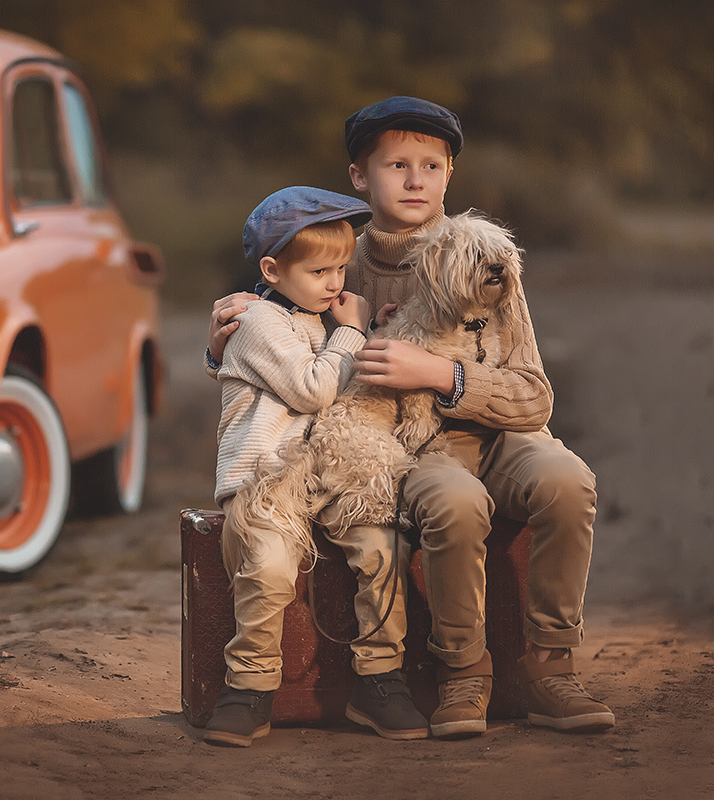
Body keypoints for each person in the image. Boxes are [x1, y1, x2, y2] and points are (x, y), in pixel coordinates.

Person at [205, 97, 615, 739]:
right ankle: (463, 674)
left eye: (432, 165)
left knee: (569, 481)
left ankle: (550, 668)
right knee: (455, 502)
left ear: (450, 175)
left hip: (504, 433)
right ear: (360, 177)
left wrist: (441, 375)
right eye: (397, 164)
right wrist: (219, 346)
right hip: (412, 448)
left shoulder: (486, 257)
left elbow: (535, 395)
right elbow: (282, 353)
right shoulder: (339, 260)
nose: (416, 179)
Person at [207, 186, 429, 747]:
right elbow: (313, 389)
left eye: (341, 268)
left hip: (324, 473)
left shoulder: (309, 319)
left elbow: (341, 386)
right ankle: (250, 689)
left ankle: (379, 679)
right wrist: (352, 332)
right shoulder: (258, 320)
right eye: (320, 271)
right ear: (272, 270)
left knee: (382, 548)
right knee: (269, 567)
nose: (336, 283)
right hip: (264, 480)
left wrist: (368, 332)